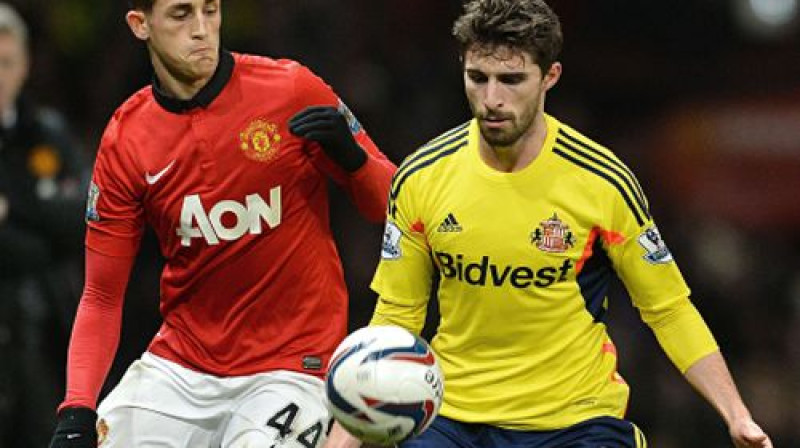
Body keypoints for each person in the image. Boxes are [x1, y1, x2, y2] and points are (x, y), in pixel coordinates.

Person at [326, 1, 773, 447]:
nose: (492, 99)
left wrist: (737, 415)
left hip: (575, 421)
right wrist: (344, 435)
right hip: (452, 419)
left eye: (512, 80)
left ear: (550, 77)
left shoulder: (602, 180)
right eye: (477, 78)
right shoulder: (421, 176)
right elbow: (397, 316)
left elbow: (668, 308)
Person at [48, 0, 395, 446]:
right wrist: (77, 405)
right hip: (182, 366)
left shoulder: (290, 88)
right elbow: (100, 295)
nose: (202, 30)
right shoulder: (127, 138)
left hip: (292, 366)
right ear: (140, 25)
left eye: (210, 11)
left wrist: (355, 160)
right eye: (181, 14)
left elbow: (393, 204)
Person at [0, 3, 88, 446]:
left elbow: (84, 223)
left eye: (6, 63)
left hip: (45, 330)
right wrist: (42, 224)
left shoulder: (47, 133)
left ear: (25, 64)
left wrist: (12, 208)